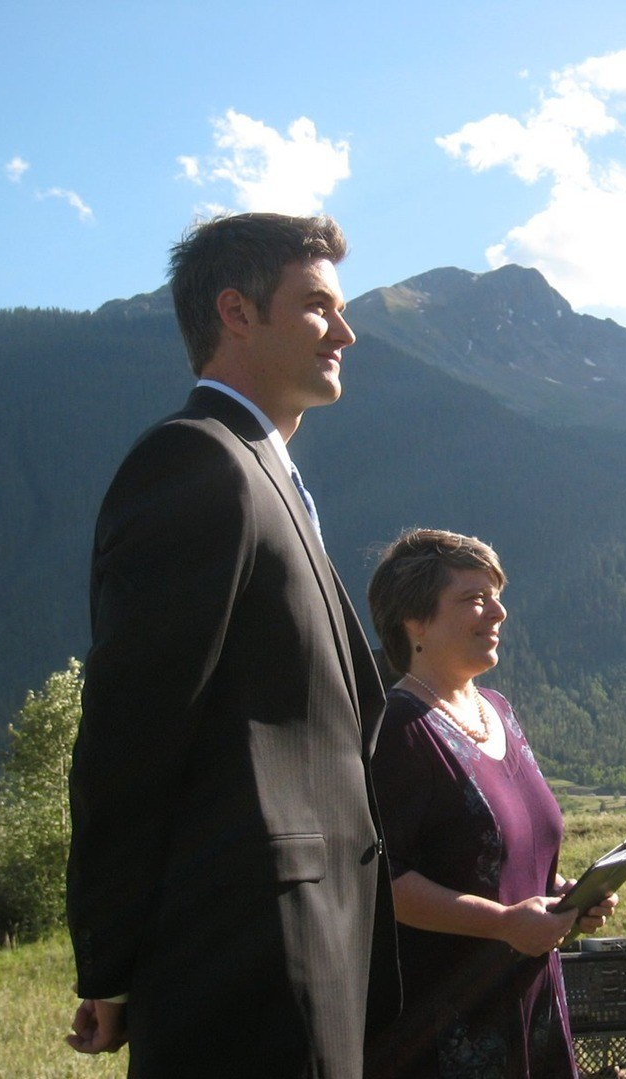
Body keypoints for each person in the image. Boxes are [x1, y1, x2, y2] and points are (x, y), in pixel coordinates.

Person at [65, 212, 400, 1076]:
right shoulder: (195, 462)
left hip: (307, 955)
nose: (346, 332)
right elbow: (132, 734)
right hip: (243, 971)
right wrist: (111, 959)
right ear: (236, 312)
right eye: (318, 305)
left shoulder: (262, 471)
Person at [364, 527, 616, 1078]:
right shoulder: (400, 729)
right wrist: (503, 922)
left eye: (497, 596)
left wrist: (562, 897)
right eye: (475, 599)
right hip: (453, 1025)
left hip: (532, 999)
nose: (499, 613)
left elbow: (503, 853)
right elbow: (382, 882)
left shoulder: (497, 709)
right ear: (415, 621)